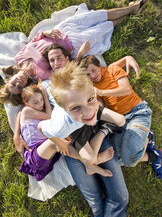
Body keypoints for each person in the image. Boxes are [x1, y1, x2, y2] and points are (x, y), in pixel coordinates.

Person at [0, 0, 151, 104]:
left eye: (13, 83)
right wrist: (79, 54)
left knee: (98, 15)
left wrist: (46, 32)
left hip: (62, 29)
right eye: (19, 88)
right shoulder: (40, 77)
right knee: (104, 27)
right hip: (72, 43)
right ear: (25, 87)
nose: (18, 83)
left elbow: (34, 40)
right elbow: (65, 69)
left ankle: (132, 8)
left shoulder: (19, 58)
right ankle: (132, 10)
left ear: (10, 78)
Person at [41, 61, 129, 217]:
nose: (88, 111)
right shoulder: (61, 126)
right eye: (76, 107)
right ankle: (92, 162)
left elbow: (90, 108)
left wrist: (93, 106)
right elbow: (41, 127)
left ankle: (102, 133)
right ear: (65, 108)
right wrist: (59, 141)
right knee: (96, 202)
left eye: (90, 99)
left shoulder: (89, 105)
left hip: (92, 126)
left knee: (121, 121)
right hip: (76, 134)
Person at [80, 55, 162, 179]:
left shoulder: (112, 69)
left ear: (99, 66)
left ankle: (149, 142)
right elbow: (101, 105)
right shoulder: (93, 86)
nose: (92, 76)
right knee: (116, 160)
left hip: (138, 113)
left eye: (93, 70)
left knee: (130, 160)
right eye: (88, 74)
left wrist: (101, 92)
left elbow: (125, 90)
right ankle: (153, 151)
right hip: (121, 121)